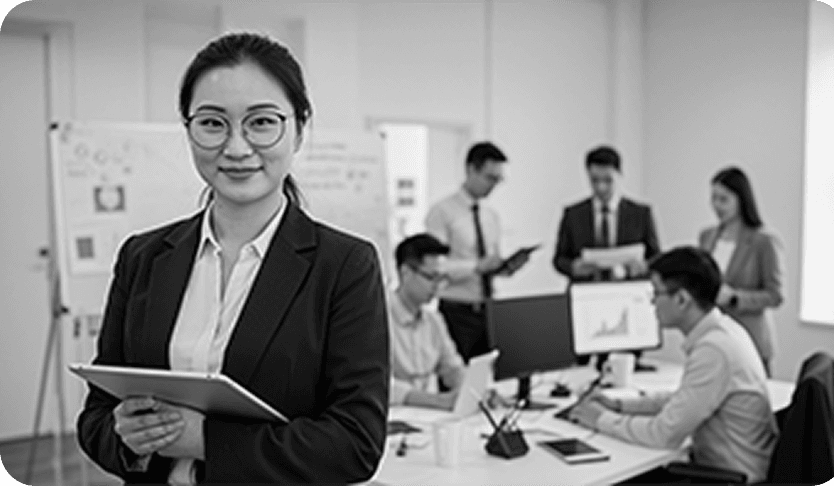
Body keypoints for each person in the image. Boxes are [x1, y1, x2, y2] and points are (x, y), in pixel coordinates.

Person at [75, 32, 389, 485]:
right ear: (189, 130)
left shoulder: (344, 266)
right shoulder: (142, 257)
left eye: (262, 122)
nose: (237, 148)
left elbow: (355, 444)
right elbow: (96, 418)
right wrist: (125, 436)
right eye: (213, 123)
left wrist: (203, 439)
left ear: (299, 128)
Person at [568, 246, 778, 484]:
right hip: (732, 469)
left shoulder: (714, 350)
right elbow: (683, 399)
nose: (651, 304)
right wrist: (618, 404)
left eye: (655, 294)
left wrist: (599, 419)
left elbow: (663, 434)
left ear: (681, 300)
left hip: (731, 479)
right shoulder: (721, 332)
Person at [552, 145, 661, 369]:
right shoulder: (573, 214)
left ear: (619, 176)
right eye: (594, 180)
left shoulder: (640, 213)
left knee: (626, 368)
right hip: (586, 300)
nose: (601, 187)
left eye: (607, 180)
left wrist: (643, 266)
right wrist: (573, 267)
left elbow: (656, 258)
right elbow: (559, 259)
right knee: (580, 366)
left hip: (626, 300)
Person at [425, 141, 530, 363]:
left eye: (498, 180)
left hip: (489, 311)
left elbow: (490, 262)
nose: (493, 186)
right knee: (456, 377)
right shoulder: (442, 212)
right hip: (456, 310)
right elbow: (436, 266)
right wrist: (475, 266)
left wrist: (507, 267)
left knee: (488, 377)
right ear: (471, 169)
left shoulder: (491, 215)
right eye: (490, 178)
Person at [699, 166, 784, 377]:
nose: (717, 206)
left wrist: (735, 298)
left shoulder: (763, 241)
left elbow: (775, 295)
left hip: (751, 339)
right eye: (714, 198)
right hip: (713, 338)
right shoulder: (707, 237)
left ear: (741, 200)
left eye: (724, 199)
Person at [388, 233, 466, 410]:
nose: (437, 286)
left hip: (429, 418)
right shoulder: (378, 319)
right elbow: (377, 384)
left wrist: (470, 390)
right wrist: (436, 401)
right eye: (431, 277)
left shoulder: (433, 320)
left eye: (441, 278)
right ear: (405, 272)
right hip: (395, 419)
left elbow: (453, 369)